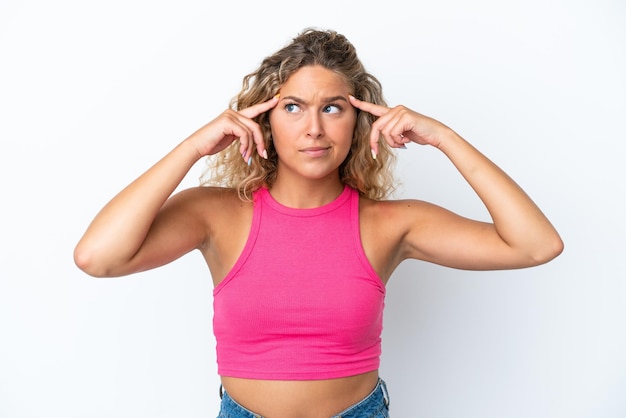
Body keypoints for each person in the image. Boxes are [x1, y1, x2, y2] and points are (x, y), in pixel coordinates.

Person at [74, 28, 563, 418]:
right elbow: (98, 257)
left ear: (359, 122)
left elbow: (536, 245)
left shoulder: (390, 224)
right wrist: (193, 147)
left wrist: (444, 137)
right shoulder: (214, 213)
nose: (314, 128)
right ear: (264, 120)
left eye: (333, 108)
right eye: (293, 107)